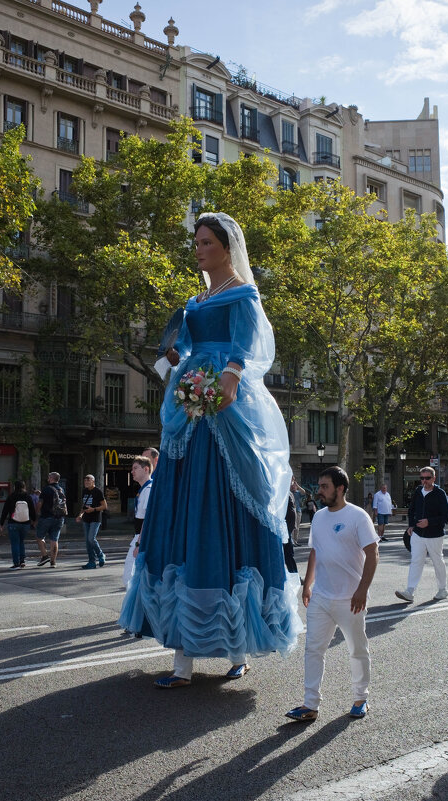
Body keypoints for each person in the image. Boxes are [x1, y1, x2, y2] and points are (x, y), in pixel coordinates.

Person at [119, 211, 302, 687]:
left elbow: (244, 344)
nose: (197, 248)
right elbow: (181, 344)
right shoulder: (194, 299)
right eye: (196, 241)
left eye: (205, 241)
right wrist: (176, 360)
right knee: (179, 512)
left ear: (225, 246)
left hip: (226, 406)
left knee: (225, 512)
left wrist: (229, 376)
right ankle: (182, 658)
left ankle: (236, 645)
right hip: (188, 403)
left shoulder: (243, 293)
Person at [285, 467, 379, 722]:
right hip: (322, 598)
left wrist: (362, 590)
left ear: (340, 489)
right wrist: (308, 585)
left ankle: (361, 698)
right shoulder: (318, 517)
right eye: (319, 486)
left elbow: (372, 554)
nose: (319, 491)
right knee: (313, 649)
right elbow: (315, 551)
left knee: (357, 649)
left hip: (351, 600)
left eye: (325, 486)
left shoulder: (358, 516)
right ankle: (310, 704)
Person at [395, 466, 448, 603]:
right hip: (418, 534)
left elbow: (446, 517)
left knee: (437, 561)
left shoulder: (440, 493)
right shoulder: (418, 491)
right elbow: (411, 509)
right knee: (416, 561)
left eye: (427, 478)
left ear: (434, 478)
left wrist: (429, 522)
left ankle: (443, 589)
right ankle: (410, 591)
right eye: (422, 478)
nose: (424, 481)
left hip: (435, 534)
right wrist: (411, 525)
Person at [122, 456, 153, 590]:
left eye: (135, 468)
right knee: (134, 577)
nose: (132, 472)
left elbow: (147, 520)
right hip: (140, 537)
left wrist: (139, 543)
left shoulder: (148, 490)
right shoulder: (144, 490)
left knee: (130, 576)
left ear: (146, 469)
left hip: (141, 538)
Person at [0, 480, 37, 569]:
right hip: (25, 523)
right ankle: (22, 561)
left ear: (15, 487)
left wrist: (1, 523)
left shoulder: (11, 496)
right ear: (24, 487)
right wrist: (34, 520)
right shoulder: (28, 497)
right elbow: (32, 510)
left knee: (15, 543)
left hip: (13, 523)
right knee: (21, 542)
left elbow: (5, 511)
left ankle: (16, 563)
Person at [35, 471, 66, 568]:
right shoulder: (61, 489)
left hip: (46, 517)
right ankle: (53, 562)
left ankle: (44, 556)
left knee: (39, 537)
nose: (47, 479)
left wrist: (37, 513)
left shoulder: (46, 489)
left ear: (51, 478)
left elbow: (40, 503)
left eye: (49, 477)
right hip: (59, 517)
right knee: (54, 539)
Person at [77, 474, 107, 570]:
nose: (86, 482)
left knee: (91, 538)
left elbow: (104, 506)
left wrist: (93, 509)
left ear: (93, 481)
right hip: (86, 519)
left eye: (88, 480)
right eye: (85, 481)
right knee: (87, 542)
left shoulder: (98, 491)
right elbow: (84, 505)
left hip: (95, 518)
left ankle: (101, 554)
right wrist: (80, 515)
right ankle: (91, 562)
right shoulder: (84, 491)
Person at [291, 476, 306, 546]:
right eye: (292, 486)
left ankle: (295, 541)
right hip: (291, 511)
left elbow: (304, 492)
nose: (293, 487)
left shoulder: (298, 493)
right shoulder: (289, 493)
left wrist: (297, 486)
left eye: (295, 486)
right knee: (293, 526)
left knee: (297, 527)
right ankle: (292, 541)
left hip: (298, 511)